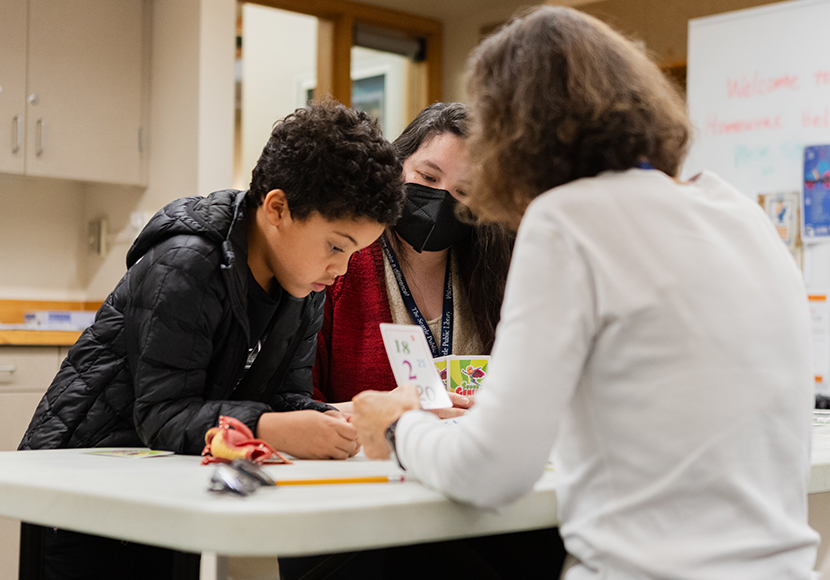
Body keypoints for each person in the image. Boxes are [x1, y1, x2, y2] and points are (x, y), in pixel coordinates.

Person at [352, 6, 819, 580]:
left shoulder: (567, 221)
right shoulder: (738, 213)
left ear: (512, 136)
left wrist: (398, 426)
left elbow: (490, 472)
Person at [18, 101, 405, 580]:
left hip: (163, 480)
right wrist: (273, 428)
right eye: (335, 246)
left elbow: (286, 396)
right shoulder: (188, 262)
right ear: (277, 208)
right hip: (80, 481)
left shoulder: (303, 286)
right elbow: (162, 414)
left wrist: (332, 418)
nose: (341, 268)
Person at [312, 102, 514, 411]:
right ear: (397, 167)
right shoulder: (338, 267)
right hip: (367, 457)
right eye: (428, 178)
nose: (442, 197)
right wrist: (384, 411)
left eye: (464, 191)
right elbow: (297, 405)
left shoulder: (496, 271)